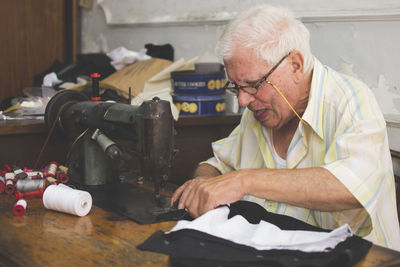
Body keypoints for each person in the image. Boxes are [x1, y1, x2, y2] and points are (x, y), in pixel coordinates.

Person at [171, 4, 400, 250]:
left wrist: (244, 181)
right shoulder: (259, 113)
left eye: (253, 84)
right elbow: (216, 165)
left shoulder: (350, 100)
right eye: (237, 87)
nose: (242, 100)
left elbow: (351, 187)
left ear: (295, 65)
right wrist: (202, 186)